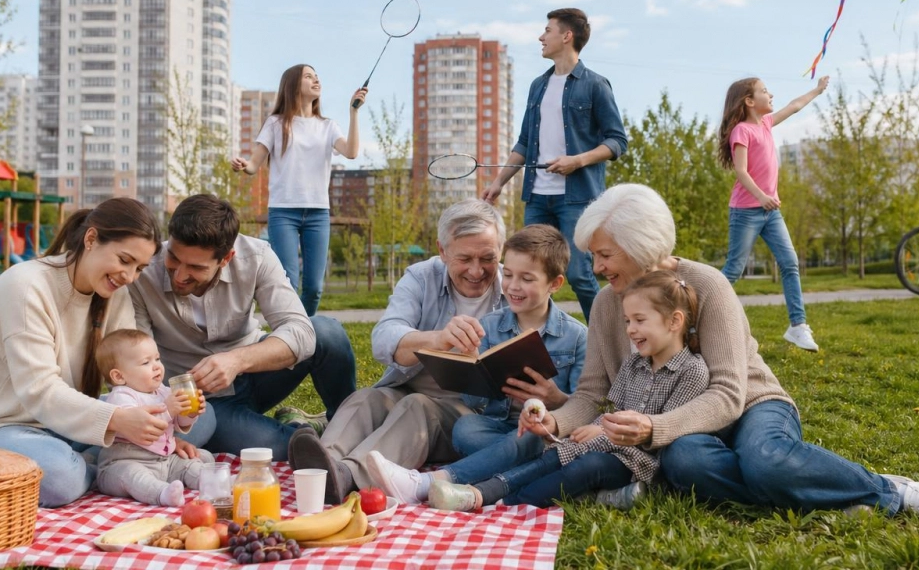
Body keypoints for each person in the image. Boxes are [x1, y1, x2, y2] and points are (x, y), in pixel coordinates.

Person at [526, 183, 919, 517]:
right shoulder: (606, 304)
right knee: (684, 463)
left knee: (766, 461)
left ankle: (888, 490)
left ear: (639, 245)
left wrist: (652, 428)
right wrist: (554, 421)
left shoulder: (708, 285)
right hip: (682, 425)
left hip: (752, 404)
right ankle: (823, 494)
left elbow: (728, 394)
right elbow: (592, 394)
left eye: (605, 254)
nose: (597, 268)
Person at [378, 270, 708, 511]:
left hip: (638, 462)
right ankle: (476, 495)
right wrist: (589, 424)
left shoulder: (692, 371)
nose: (630, 330)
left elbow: (660, 432)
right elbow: (612, 405)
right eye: (627, 322)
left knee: (581, 466)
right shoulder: (634, 364)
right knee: (549, 459)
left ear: (674, 321)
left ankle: (503, 502)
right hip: (597, 443)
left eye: (638, 321)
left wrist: (595, 430)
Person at [0, 198, 171, 508]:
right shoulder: (25, 287)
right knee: (61, 479)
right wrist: (119, 420)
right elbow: (39, 391)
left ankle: (102, 461)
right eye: (124, 260)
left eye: (139, 268)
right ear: (91, 239)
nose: (129, 276)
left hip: (63, 422)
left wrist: (168, 425)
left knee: (194, 418)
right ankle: (104, 468)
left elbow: (130, 374)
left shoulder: (114, 295)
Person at [288, 199, 506, 504]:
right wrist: (437, 339)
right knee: (367, 398)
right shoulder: (421, 276)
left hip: (470, 412)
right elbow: (384, 339)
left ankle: (348, 476)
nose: (476, 270)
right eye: (464, 258)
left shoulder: (514, 287)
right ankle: (323, 462)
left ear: (502, 250)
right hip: (408, 388)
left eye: (488, 258)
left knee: (418, 407)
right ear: (442, 251)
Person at [364, 224, 588, 504]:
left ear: (555, 284)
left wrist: (557, 399)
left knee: (530, 438)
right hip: (499, 426)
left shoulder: (577, 336)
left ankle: (428, 483)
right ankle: (519, 465)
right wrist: (469, 366)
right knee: (466, 429)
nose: (514, 286)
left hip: (546, 430)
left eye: (527, 279)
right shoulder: (491, 326)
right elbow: (473, 402)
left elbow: (584, 405)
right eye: (508, 275)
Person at [129, 194, 356, 457]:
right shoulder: (143, 275)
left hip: (258, 375)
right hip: (206, 404)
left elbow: (301, 332)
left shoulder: (256, 257)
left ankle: (347, 427)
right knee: (287, 450)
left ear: (226, 258)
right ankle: (302, 431)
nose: (180, 275)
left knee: (326, 332)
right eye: (174, 259)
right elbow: (133, 357)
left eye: (195, 267)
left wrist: (237, 361)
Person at [482, 8, 628, 323]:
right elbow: (523, 142)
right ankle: (525, 338)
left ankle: (602, 338)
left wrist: (577, 161)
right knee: (525, 273)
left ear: (566, 36)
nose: (540, 37)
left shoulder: (595, 85)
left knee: (578, 275)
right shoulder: (538, 86)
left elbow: (617, 141)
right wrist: (499, 183)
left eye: (547, 30)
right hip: (537, 198)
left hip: (577, 198)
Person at [231, 64, 367, 316]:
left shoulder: (328, 126)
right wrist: (244, 165)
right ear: (293, 84)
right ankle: (291, 334)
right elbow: (254, 165)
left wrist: (353, 113)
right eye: (308, 76)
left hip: (317, 214)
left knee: (314, 287)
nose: (316, 80)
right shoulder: (275, 123)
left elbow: (351, 152)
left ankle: (302, 331)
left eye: (317, 76)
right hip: (283, 212)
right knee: (289, 282)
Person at [717, 76, 828, 352]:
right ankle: (698, 316)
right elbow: (741, 171)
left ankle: (797, 326)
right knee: (733, 270)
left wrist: (816, 90)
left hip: (770, 212)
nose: (771, 94)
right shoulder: (741, 131)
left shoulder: (766, 123)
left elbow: (794, 105)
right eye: (764, 91)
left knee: (790, 263)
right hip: (746, 212)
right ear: (750, 101)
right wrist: (762, 197)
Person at [94, 329, 215, 507]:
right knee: (132, 476)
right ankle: (162, 494)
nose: (157, 366)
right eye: (146, 362)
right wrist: (169, 408)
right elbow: (142, 425)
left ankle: (215, 482)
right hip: (125, 461)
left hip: (164, 460)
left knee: (190, 465)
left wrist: (189, 413)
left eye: (157, 359)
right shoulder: (121, 397)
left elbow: (178, 424)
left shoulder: (162, 391)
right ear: (119, 376)